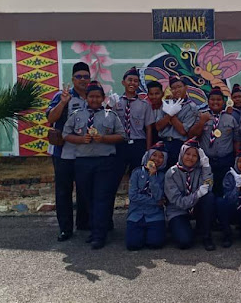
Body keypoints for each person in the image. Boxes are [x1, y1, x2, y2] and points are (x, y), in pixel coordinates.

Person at [63, 82, 126, 249]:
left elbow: (121, 135)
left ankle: (100, 235)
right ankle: (95, 229)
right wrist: (80, 139)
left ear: (103, 98)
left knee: (101, 197)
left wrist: (103, 138)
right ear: (86, 98)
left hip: (104, 162)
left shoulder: (110, 115)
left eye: (98, 96)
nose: (94, 99)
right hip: (83, 161)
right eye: (91, 96)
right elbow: (65, 134)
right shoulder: (77, 115)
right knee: (88, 197)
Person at [46, 61, 90, 241]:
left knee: (84, 188)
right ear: (73, 79)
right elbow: (50, 118)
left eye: (85, 77)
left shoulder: (93, 96)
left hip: (85, 151)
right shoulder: (62, 95)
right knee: (63, 191)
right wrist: (63, 103)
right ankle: (65, 228)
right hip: (62, 151)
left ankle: (83, 222)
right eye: (78, 77)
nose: (82, 80)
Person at [109, 66, 154, 220]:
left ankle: (140, 217)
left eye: (135, 81)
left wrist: (148, 151)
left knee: (140, 182)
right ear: (123, 82)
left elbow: (148, 128)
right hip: (120, 145)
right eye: (130, 80)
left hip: (138, 145)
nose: (133, 83)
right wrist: (109, 107)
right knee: (112, 182)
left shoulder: (144, 105)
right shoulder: (115, 102)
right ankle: (107, 221)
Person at [164, 138, 216, 251]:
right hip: (178, 210)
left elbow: (208, 187)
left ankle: (206, 235)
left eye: (194, 156)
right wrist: (196, 195)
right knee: (184, 242)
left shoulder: (200, 170)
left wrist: (206, 166)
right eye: (187, 154)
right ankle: (179, 227)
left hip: (196, 207)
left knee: (209, 197)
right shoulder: (171, 173)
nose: (190, 158)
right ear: (182, 154)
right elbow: (178, 202)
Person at [192, 87, 239, 198]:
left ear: (223, 102)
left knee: (224, 189)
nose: (215, 102)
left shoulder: (230, 118)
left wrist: (235, 157)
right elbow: (193, 135)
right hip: (207, 161)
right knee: (208, 190)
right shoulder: (201, 116)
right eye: (212, 99)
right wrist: (202, 121)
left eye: (218, 100)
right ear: (208, 102)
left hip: (225, 160)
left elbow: (236, 139)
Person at [126, 142, 168, 251]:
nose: (156, 159)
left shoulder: (163, 176)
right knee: (133, 245)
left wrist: (153, 176)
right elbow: (133, 196)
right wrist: (155, 202)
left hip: (154, 214)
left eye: (161, 157)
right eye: (154, 155)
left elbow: (159, 196)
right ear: (148, 155)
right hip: (136, 213)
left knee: (155, 244)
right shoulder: (136, 172)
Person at [156, 76, 199, 167]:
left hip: (179, 145)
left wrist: (171, 115)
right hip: (164, 143)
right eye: (173, 88)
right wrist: (169, 115)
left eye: (179, 87)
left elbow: (183, 131)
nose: (176, 90)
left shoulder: (191, 107)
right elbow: (158, 126)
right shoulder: (166, 103)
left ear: (186, 88)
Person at [145, 81, 165, 145]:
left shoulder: (168, 108)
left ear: (163, 94)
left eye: (157, 94)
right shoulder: (145, 109)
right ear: (147, 95)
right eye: (151, 94)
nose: (154, 97)